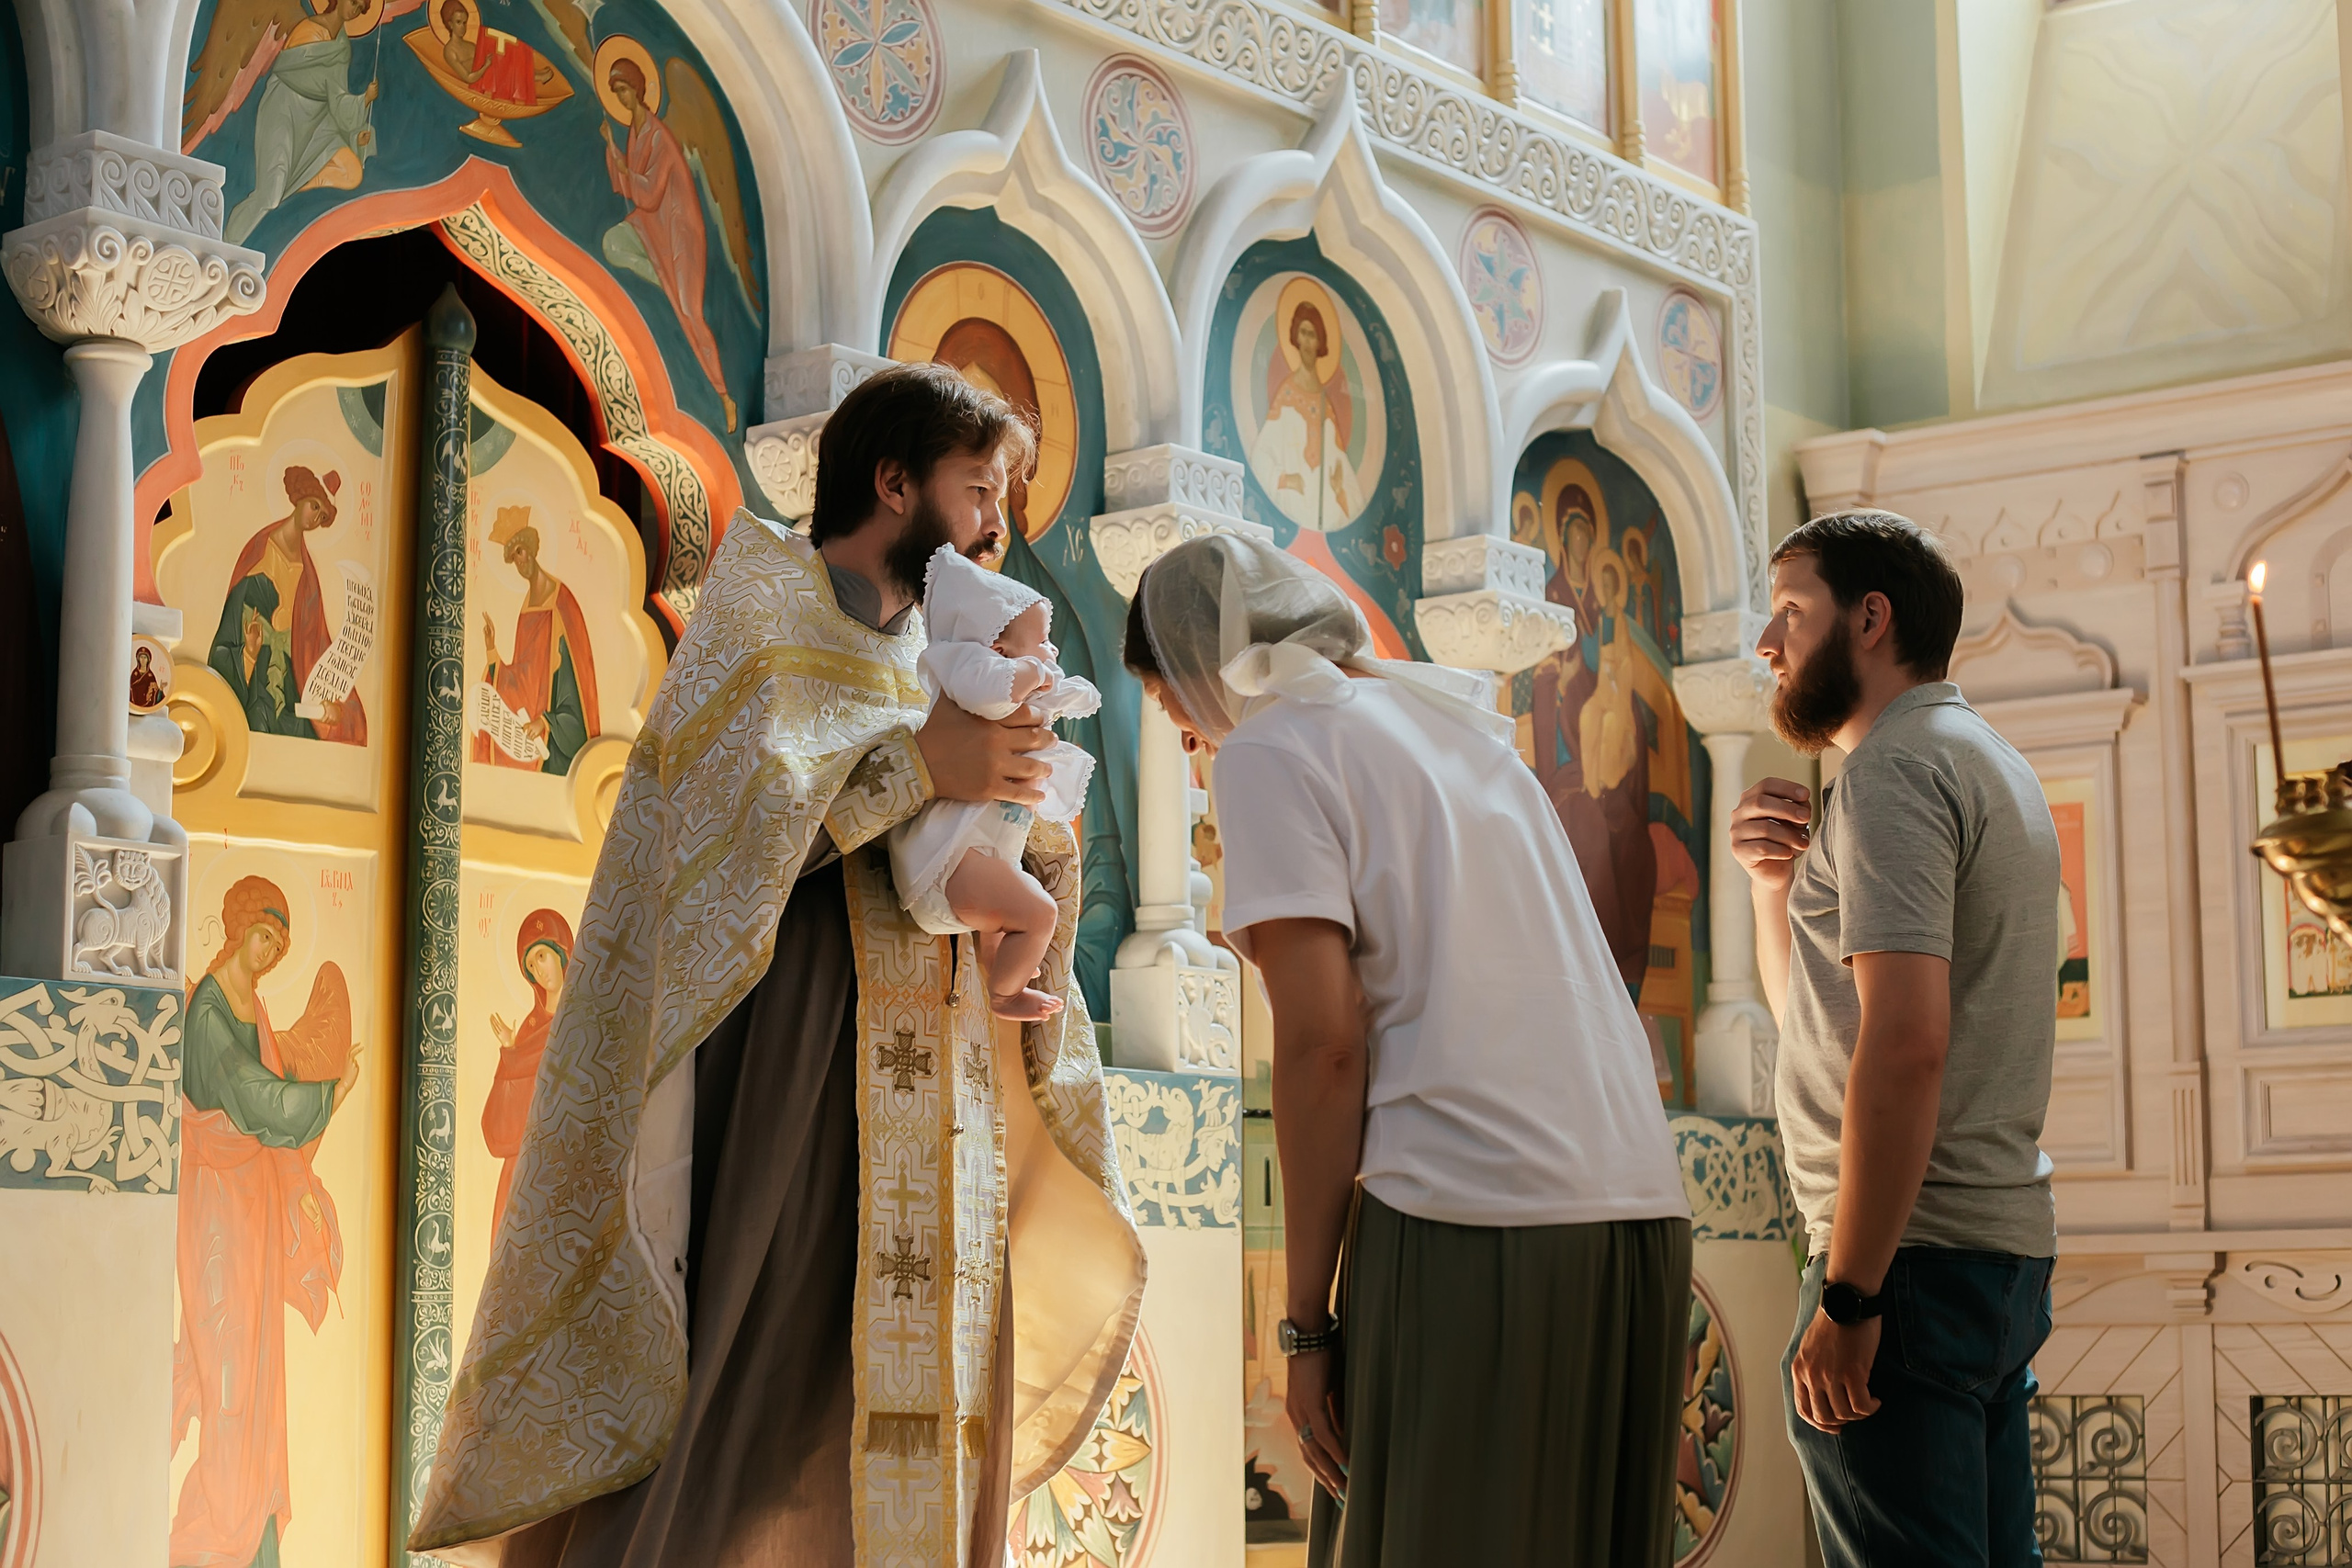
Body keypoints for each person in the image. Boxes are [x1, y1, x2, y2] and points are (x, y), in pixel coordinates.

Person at [411, 361, 1145, 1568]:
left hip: (943, 1092)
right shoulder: (762, 615)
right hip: (791, 1072)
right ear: (893, 482)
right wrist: (922, 767)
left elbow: (1005, 839)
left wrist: (1026, 817)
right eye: (977, 490)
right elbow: (718, 856)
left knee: (909, 1406)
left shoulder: (942, 652)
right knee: (746, 1401)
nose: (997, 527)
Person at [1125, 533, 1692, 1567]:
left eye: (1172, 704)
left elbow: (1324, 1046)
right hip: (1640, 1220)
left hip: (1473, 1215)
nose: (1189, 736)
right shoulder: (1458, 731)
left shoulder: (1269, 744)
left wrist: (1305, 1327)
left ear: (1207, 665)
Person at [1729, 510, 2060, 1568]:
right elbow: (1826, 1024)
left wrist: (1851, 1293)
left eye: (1790, 611)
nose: (1767, 644)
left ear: (1869, 619)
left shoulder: (1891, 774)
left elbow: (1908, 1043)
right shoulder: (1988, 761)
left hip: (1902, 1265)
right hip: (1988, 1254)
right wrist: (1773, 886)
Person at [172, 876, 361, 1568]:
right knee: (226, 1368)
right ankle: (216, 1536)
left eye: (279, 946)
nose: (270, 953)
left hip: (251, 1207)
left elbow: (267, 1124)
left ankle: (255, 1539)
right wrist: (329, 1095)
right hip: (215, 1212)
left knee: (256, 1375)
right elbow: (252, 1098)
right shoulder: (208, 1010)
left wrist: (298, 1186)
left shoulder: (254, 1010)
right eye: (264, 937)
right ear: (239, 929)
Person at [886, 544, 1100, 1021]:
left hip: (979, 857)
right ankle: (1003, 996)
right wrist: (1032, 671)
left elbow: (1074, 696)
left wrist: (1062, 685)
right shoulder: (967, 668)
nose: (1052, 651)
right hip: (951, 864)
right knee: (1040, 913)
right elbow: (987, 690)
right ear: (998, 651)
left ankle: (997, 965)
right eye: (1043, 640)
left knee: (1012, 914)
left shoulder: (1012, 681)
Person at [473, 505, 602, 775]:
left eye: (519, 552)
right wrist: (492, 649)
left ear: (531, 549)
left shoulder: (561, 602)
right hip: (531, 734)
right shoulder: (526, 608)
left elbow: (574, 687)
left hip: (557, 743)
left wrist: (546, 721)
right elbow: (522, 677)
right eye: (513, 558)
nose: (519, 562)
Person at [481, 909, 571, 1235]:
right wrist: (511, 1052)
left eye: (542, 956)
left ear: (562, 951)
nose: (539, 971)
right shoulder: (529, 1030)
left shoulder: (580, 1018)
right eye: (531, 966)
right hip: (525, 1165)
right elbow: (500, 1125)